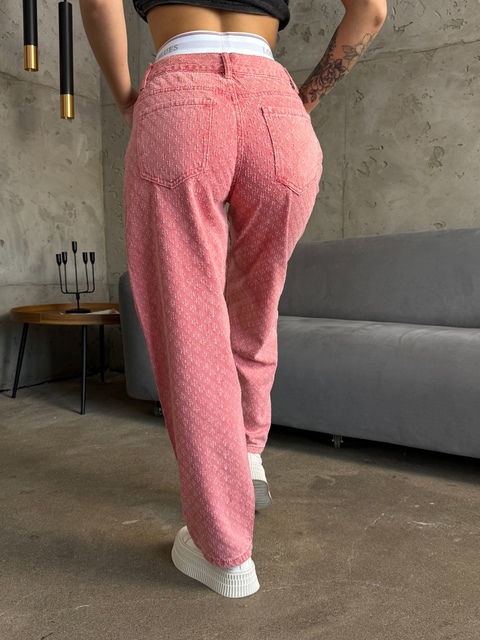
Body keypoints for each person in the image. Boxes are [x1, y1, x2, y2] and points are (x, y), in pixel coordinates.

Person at [79, 0, 387, 598]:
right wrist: (300, 101)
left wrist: (126, 98)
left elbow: (98, 4)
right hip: (276, 105)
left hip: (180, 95)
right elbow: (371, 11)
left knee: (190, 324)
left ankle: (222, 552)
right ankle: (246, 453)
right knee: (256, 302)